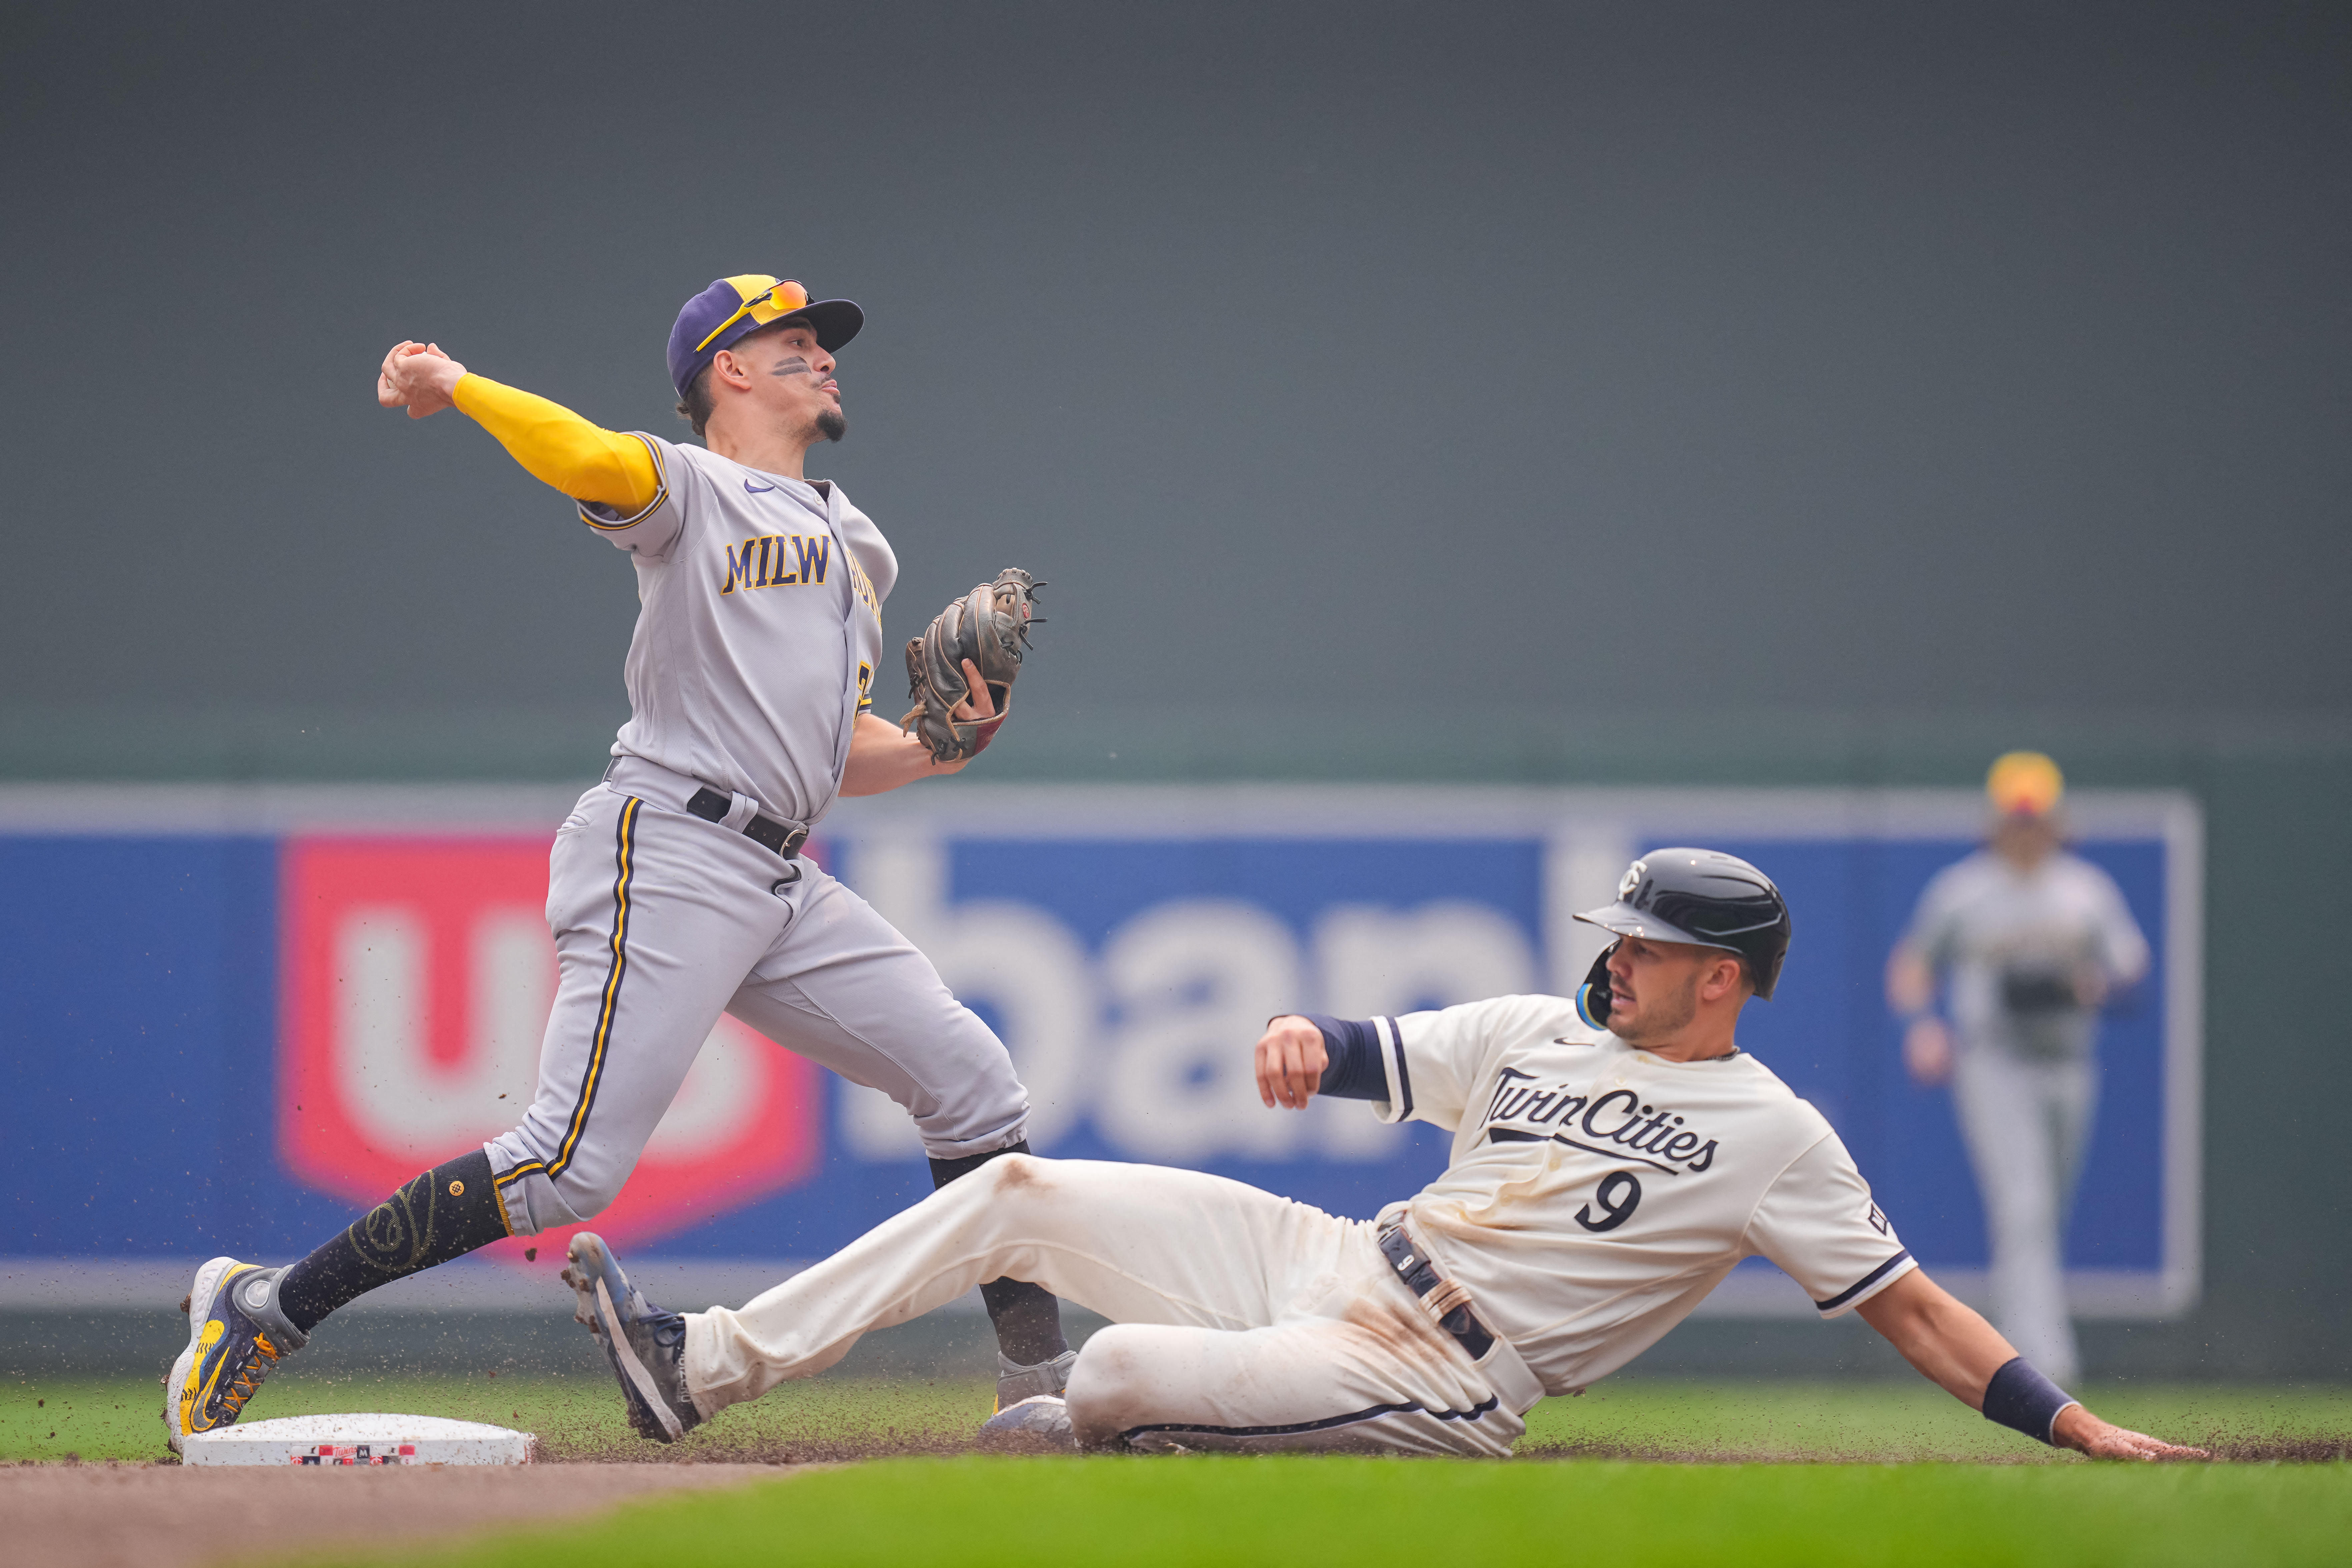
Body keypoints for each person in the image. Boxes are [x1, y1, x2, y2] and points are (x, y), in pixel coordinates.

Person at [167, 274, 1073, 1453]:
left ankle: (1038, 1384)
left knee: (974, 1084)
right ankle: (264, 1305)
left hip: (778, 874)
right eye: (791, 341)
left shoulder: (858, 545)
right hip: (672, 843)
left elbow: (834, 749)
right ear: (726, 371)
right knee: (563, 1166)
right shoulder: (687, 486)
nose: (822, 356)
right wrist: (459, 386)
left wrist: (942, 748)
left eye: (822, 342)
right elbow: (591, 457)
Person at [556, 850, 2201, 1460]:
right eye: (1615, 937)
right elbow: (1362, 1055)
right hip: (1337, 1261)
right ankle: (698, 1371)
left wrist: (2075, 1426)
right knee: (1012, 1193)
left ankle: (1132, 1427)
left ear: (1724, 979)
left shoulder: (1775, 1136)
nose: (1612, 958)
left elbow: (1909, 1305)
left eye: (1641, 946)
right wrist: (1300, 1046)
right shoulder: (1547, 1032)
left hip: (1450, 1377)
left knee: (1116, 1372)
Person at [1885, 752, 2150, 1384]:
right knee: (2024, 1208)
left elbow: (2130, 969)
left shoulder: (2085, 890)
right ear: (1997, 820)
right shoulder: (1964, 889)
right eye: (2016, 817)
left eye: (2036, 817)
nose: (2026, 828)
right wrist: (1923, 1028)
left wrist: (2092, 983)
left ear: (2058, 821)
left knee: (2043, 1212)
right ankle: (2044, 1362)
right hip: (1993, 1059)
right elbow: (1912, 965)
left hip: (2068, 1062)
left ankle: (2005, 1344)